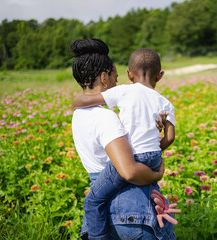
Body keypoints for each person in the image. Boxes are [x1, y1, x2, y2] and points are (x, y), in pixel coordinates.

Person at [70, 38, 179, 240]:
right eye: (115, 77)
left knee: (92, 201)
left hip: (102, 207)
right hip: (133, 206)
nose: (118, 82)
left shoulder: (78, 116)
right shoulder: (107, 117)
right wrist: (158, 173)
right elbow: (129, 170)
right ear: (104, 77)